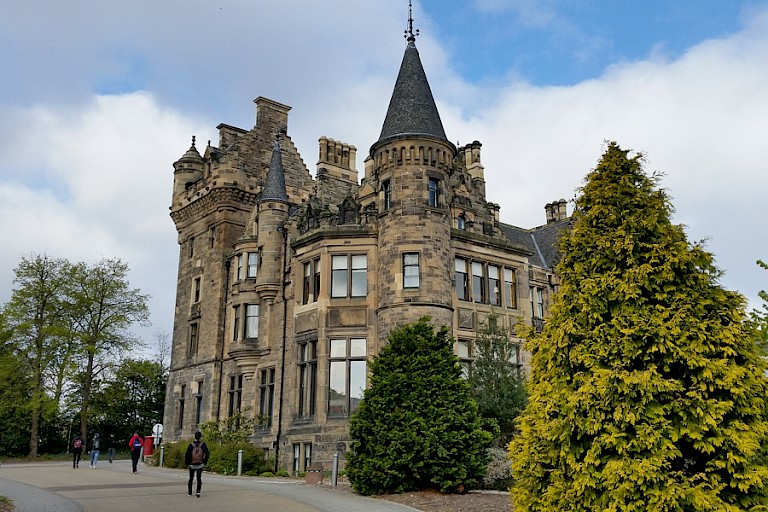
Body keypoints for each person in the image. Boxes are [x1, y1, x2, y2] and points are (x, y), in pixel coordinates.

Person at [184, 431, 209, 498]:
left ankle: (189, 492)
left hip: (192, 464)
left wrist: (187, 463)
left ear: (194, 436)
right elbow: (207, 453)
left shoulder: (191, 445)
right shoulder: (203, 445)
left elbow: (187, 455)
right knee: (199, 478)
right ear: (200, 437)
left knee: (191, 478)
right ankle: (198, 492)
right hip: (200, 464)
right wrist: (204, 462)